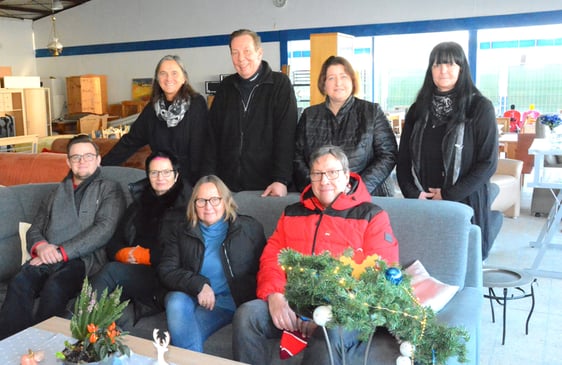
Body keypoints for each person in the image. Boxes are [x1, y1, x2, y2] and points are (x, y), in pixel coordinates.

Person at [232, 145, 399, 365]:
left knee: (329, 333)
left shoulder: (372, 215)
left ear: (347, 177)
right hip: (294, 302)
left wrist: (324, 314)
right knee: (247, 315)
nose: (324, 181)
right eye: (318, 174)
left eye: (332, 173)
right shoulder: (292, 213)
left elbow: (379, 274)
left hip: (344, 312)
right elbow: (272, 257)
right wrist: (274, 295)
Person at [0, 134, 126, 339]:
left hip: (83, 260)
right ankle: (11, 344)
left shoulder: (109, 189)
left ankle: (47, 344)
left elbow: (103, 230)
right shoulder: (55, 192)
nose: (82, 161)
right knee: (20, 282)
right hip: (47, 255)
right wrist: (41, 247)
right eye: (76, 157)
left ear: (98, 159)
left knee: (55, 286)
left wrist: (61, 252)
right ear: (68, 161)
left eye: (88, 156)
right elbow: (35, 227)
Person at [396, 41, 498, 260]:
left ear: (461, 69)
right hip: (424, 202)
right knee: (426, 260)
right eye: (437, 65)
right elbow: (403, 159)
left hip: (464, 201)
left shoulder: (479, 107)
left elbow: (488, 163)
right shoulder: (417, 110)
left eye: (451, 64)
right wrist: (414, 194)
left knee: (463, 262)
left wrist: (448, 195)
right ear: (430, 70)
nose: (443, 70)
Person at [158, 175, 266, 351]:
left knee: (186, 335)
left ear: (226, 201)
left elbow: (264, 267)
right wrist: (199, 284)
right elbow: (166, 269)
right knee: (175, 300)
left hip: (226, 301)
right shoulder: (181, 230)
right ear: (194, 204)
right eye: (201, 201)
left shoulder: (249, 229)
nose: (208, 206)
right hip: (188, 294)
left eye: (215, 199)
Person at [91, 151, 192, 322]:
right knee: (99, 292)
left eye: (166, 172)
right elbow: (114, 241)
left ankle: (78, 328)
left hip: (163, 274)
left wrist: (146, 256)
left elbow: (187, 252)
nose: (160, 177)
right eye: (154, 172)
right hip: (131, 268)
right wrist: (122, 253)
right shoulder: (139, 203)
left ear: (176, 175)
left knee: (110, 272)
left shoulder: (188, 207)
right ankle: (88, 334)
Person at [206, 29, 298, 196]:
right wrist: (210, 177)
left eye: (247, 51)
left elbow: (287, 135)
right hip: (227, 185)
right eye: (235, 53)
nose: (241, 58)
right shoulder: (226, 87)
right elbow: (212, 136)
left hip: (267, 186)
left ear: (259, 53)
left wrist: (281, 179)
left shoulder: (280, 85)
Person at [293, 55, 397, 196]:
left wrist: (356, 188)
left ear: (352, 81)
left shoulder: (371, 112)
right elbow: (297, 156)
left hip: (366, 194)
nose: (338, 83)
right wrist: (318, 186)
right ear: (323, 84)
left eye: (343, 77)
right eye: (331, 78)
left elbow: (388, 154)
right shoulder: (309, 115)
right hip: (320, 195)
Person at [102, 55, 208, 186]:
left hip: (188, 180)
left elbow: (201, 149)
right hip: (160, 179)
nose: (169, 78)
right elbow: (131, 141)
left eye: (174, 73)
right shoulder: (152, 108)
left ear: (184, 78)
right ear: (157, 79)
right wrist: (101, 167)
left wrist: (200, 186)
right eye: (163, 73)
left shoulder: (196, 104)